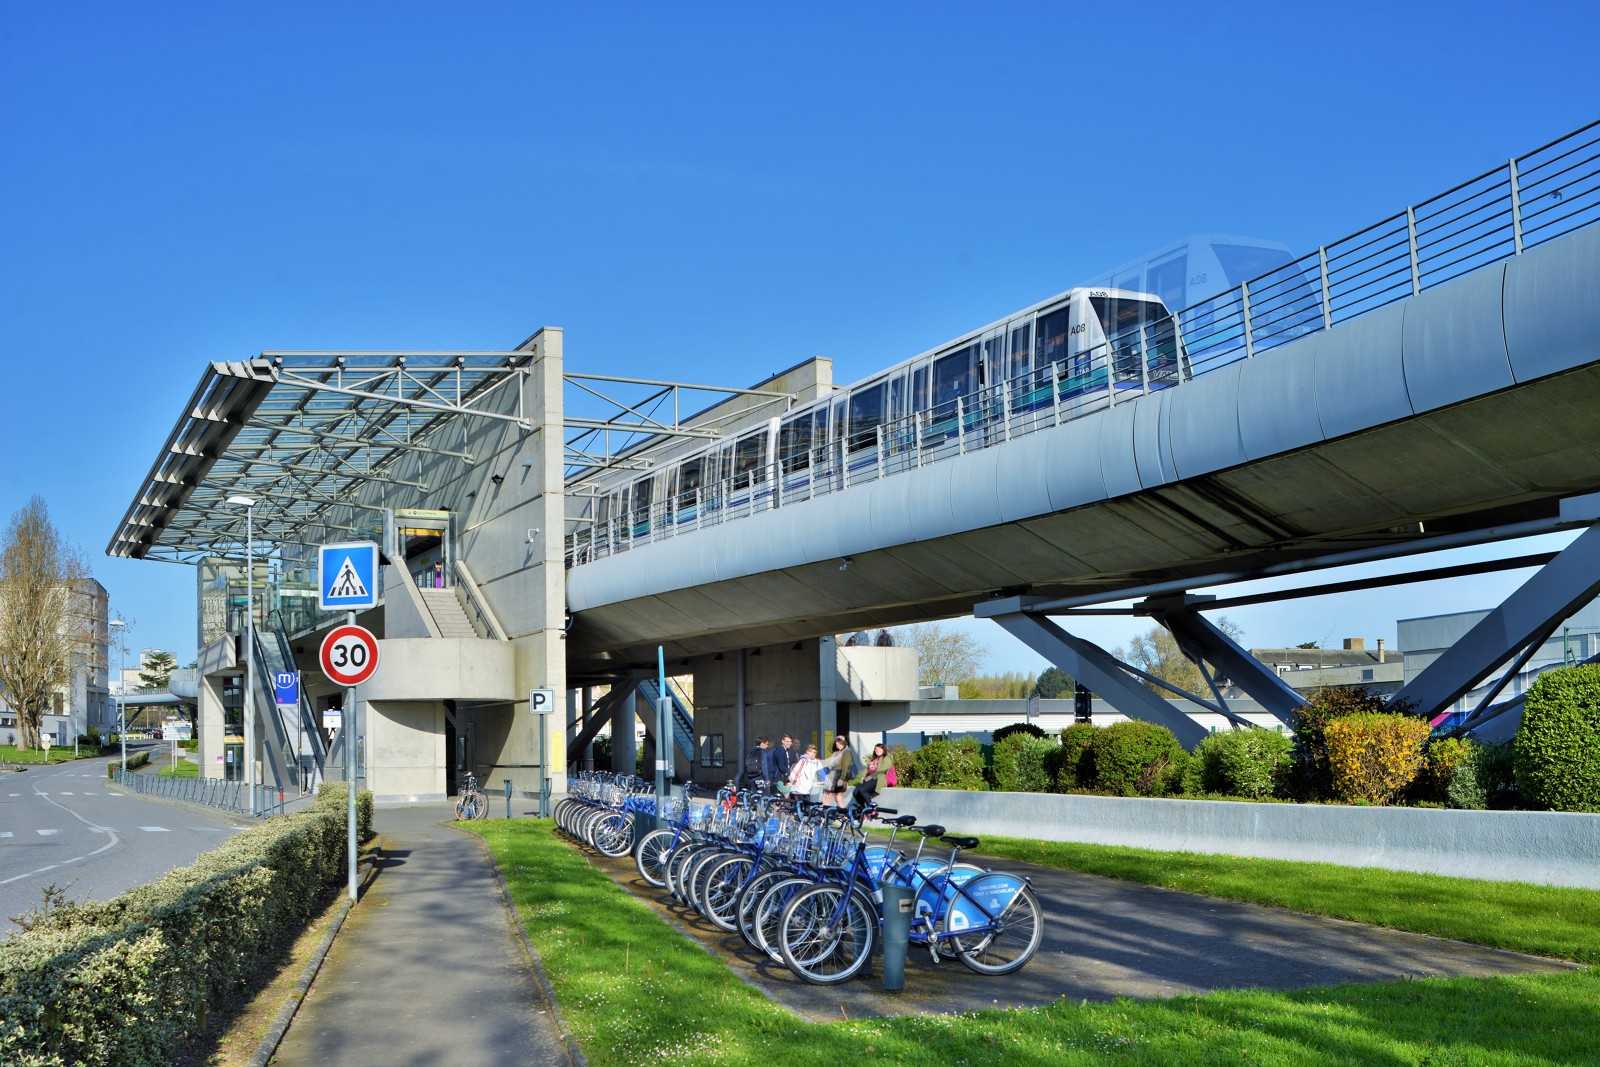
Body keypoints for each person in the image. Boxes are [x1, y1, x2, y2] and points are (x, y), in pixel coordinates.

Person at [852, 742, 895, 810]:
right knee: (855, 793)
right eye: (876, 749)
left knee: (863, 790)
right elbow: (866, 769)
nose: (877, 750)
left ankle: (871, 810)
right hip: (868, 779)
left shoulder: (886, 758)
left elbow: (883, 769)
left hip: (878, 778)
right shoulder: (873, 760)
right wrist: (863, 777)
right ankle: (863, 809)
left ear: (883, 750)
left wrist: (872, 776)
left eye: (880, 749)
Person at [818, 735, 856, 808]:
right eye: (837, 743)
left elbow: (846, 767)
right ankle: (845, 816)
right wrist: (836, 738)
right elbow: (829, 746)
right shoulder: (838, 752)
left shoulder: (846, 752)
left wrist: (841, 779)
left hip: (839, 777)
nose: (837, 745)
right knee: (837, 798)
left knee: (829, 796)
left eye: (839, 743)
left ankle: (824, 815)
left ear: (843, 743)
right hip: (836, 776)